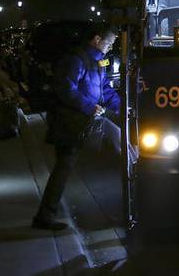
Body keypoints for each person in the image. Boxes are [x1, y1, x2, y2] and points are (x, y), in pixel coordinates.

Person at [32, 23, 123, 231]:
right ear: (97, 39)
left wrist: (122, 107)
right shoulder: (77, 59)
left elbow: (105, 90)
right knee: (63, 167)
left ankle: (45, 214)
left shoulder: (96, 61)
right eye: (109, 43)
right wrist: (90, 107)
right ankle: (44, 216)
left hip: (80, 120)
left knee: (65, 167)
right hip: (69, 122)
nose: (110, 47)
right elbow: (66, 88)